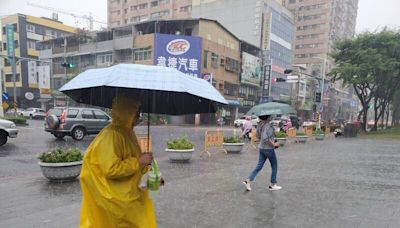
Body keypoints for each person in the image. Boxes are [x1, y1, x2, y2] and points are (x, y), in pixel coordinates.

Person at [79, 95, 157, 228]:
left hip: (130, 195)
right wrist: (138, 162)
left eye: (138, 113)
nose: (138, 117)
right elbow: (110, 169)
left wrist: (146, 165)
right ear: (126, 112)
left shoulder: (127, 132)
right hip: (117, 201)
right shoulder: (111, 135)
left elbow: (132, 159)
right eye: (135, 113)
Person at [242, 114, 282, 191]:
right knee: (274, 166)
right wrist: (274, 144)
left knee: (259, 166)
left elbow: (258, 136)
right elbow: (265, 138)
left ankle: (248, 180)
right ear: (268, 117)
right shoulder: (268, 126)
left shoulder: (260, 124)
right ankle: (273, 184)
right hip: (269, 149)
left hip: (262, 148)